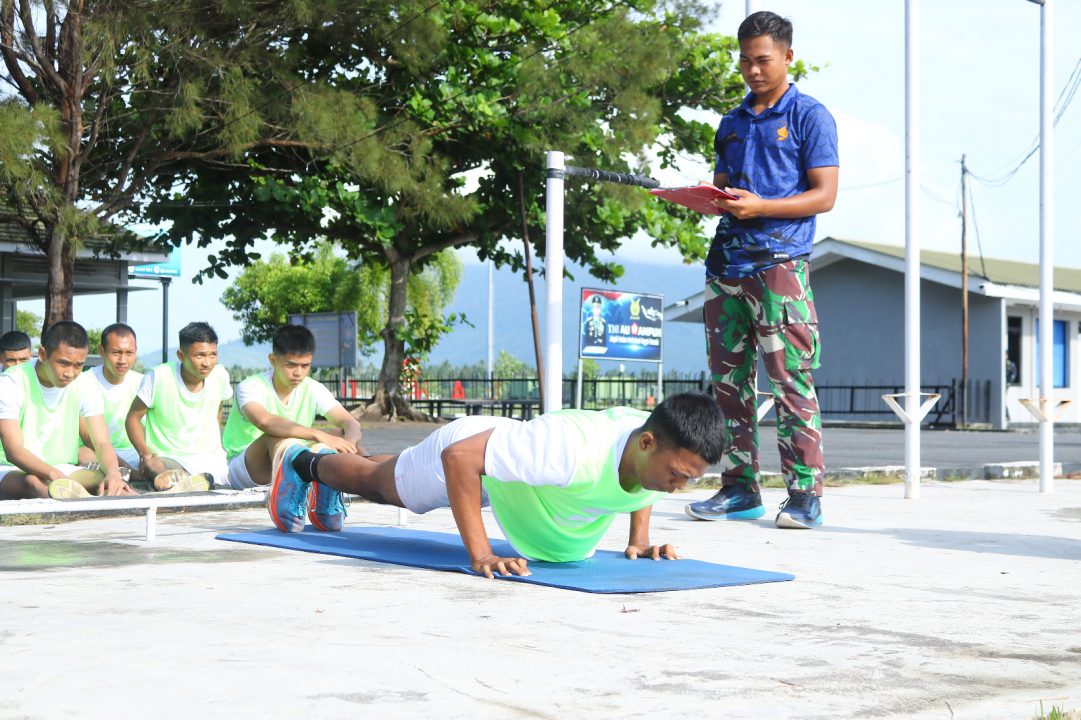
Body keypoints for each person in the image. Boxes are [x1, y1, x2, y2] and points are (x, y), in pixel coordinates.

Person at [267, 392, 725, 578]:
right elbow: (459, 459)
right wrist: (481, 554)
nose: (677, 489)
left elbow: (637, 480)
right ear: (647, 443)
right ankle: (304, 462)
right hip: (472, 452)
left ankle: (331, 470)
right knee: (385, 487)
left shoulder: (646, 449)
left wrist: (639, 540)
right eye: (678, 476)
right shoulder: (567, 449)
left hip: (518, 473)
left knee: (398, 468)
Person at [684, 11, 838, 529]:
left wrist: (762, 206)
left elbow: (825, 195)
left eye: (763, 60)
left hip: (780, 267)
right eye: (745, 60)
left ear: (788, 57)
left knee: (791, 382)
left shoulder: (810, 116)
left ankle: (803, 495)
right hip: (726, 264)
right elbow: (727, 191)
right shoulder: (730, 122)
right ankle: (738, 488)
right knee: (729, 386)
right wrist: (709, 202)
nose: (752, 70)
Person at [221, 324, 365, 529]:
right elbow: (264, 421)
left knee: (339, 434)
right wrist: (317, 435)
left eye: (305, 366)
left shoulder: (313, 388)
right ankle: (287, 496)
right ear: (273, 360)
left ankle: (323, 501)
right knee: (276, 433)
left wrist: (346, 446)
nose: (298, 372)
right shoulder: (250, 387)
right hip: (248, 468)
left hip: (294, 456)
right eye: (291, 365)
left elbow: (350, 423)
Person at [0, 321, 133, 500]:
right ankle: (81, 505)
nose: (70, 373)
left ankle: (94, 496)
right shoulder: (10, 383)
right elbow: (13, 449)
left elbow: (101, 442)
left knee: (106, 477)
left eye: (78, 365)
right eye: (63, 363)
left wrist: (113, 473)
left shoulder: (85, 383)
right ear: (42, 354)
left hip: (63, 470)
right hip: (12, 470)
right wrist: (54, 475)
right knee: (33, 483)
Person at [126, 322, 231, 492]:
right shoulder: (157, 376)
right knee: (155, 465)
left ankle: (187, 483)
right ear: (181, 355)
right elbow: (132, 418)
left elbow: (217, 408)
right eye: (200, 355)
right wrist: (145, 454)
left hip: (211, 458)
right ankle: (186, 482)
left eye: (213, 355)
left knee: (167, 480)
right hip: (169, 458)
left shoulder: (220, 375)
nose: (207, 362)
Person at [78, 323, 143, 474]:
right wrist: (125, 467)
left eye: (129, 353)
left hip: (132, 451)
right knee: (83, 455)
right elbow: (89, 437)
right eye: (116, 352)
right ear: (102, 351)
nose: (122, 360)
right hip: (94, 450)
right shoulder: (83, 381)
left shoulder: (142, 383)